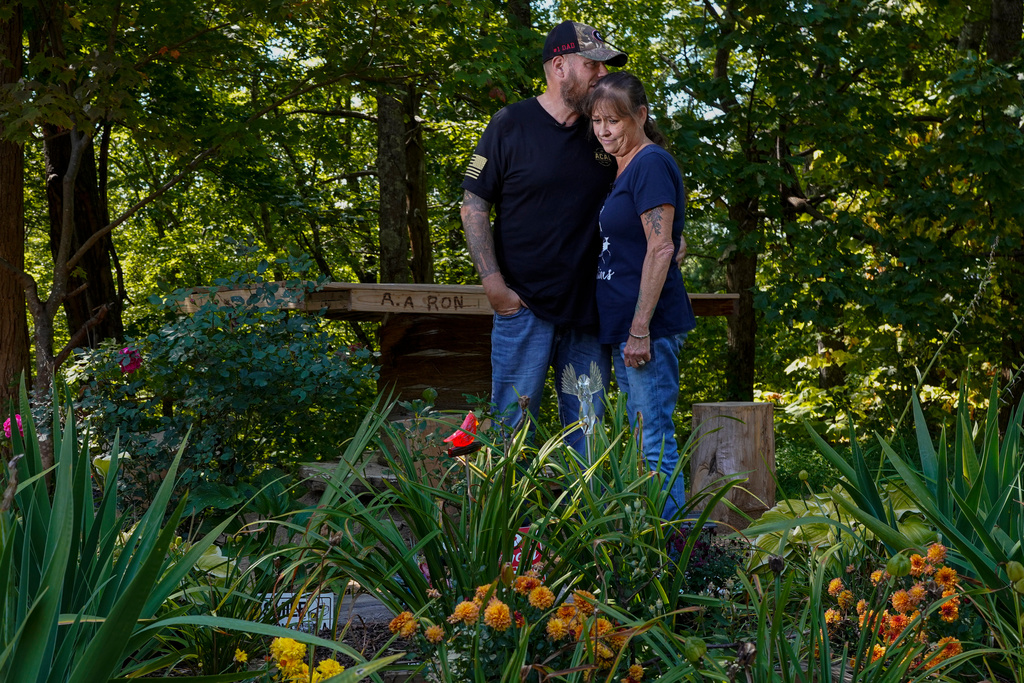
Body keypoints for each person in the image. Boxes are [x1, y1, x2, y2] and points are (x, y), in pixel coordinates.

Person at [460, 21, 627, 451]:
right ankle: (504, 520)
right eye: (592, 66)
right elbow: (473, 205)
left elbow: (647, 182)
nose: (602, 76)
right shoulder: (510, 123)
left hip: (589, 314)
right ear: (560, 66)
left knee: (589, 434)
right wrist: (493, 285)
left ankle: (585, 519)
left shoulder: (605, 130)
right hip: (524, 307)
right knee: (510, 429)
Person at [588, 72, 697, 520]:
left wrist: (639, 330)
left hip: (646, 329)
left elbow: (662, 246)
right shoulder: (623, 169)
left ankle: (673, 560)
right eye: (596, 121)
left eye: (614, 120)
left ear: (642, 116)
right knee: (639, 442)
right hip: (624, 328)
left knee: (654, 442)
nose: (605, 130)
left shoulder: (650, 162)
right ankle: (649, 555)